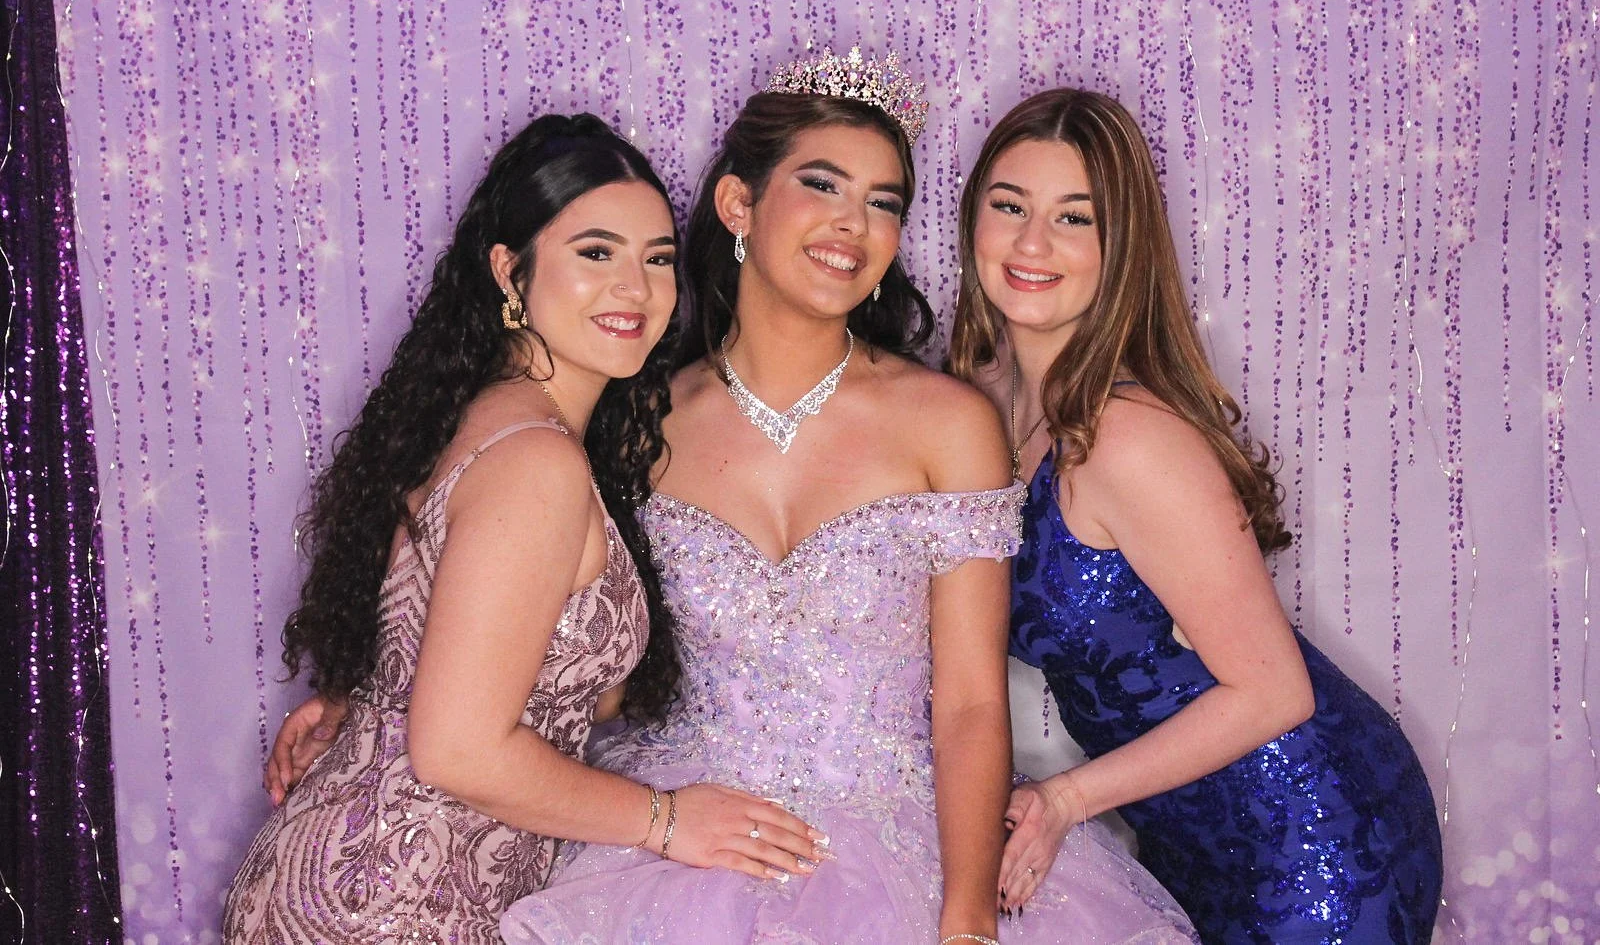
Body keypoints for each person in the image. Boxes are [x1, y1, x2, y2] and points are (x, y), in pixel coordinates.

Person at [497, 50, 1197, 944]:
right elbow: (565, 640)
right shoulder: (639, 416)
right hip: (688, 842)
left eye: (884, 202)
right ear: (739, 205)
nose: (852, 224)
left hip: (902, 844)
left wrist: (968, 918)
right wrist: (382, 695)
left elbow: (973, 702)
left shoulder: (949, 423)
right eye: (823, 185)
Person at [223, 114, 821, 944]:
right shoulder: (535, 460)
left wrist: (358, 703)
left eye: (655, 259)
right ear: (510, 269)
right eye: (595, 252)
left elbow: (520, 673)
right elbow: (458, 749)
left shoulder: (500, 421)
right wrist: (666, 819)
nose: (636, 289)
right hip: (387, 908)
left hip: (366, 878)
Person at [950, 88, 1444, 942]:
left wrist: (1064, 798)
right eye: (1010, 206)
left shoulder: (1132, 438)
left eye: (1076, 217)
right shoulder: (974, 402)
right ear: (973, 220)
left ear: (1122, 245)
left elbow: (1274, 690)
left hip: (1313, 833)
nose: (1033, 243)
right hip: (1184, 833)